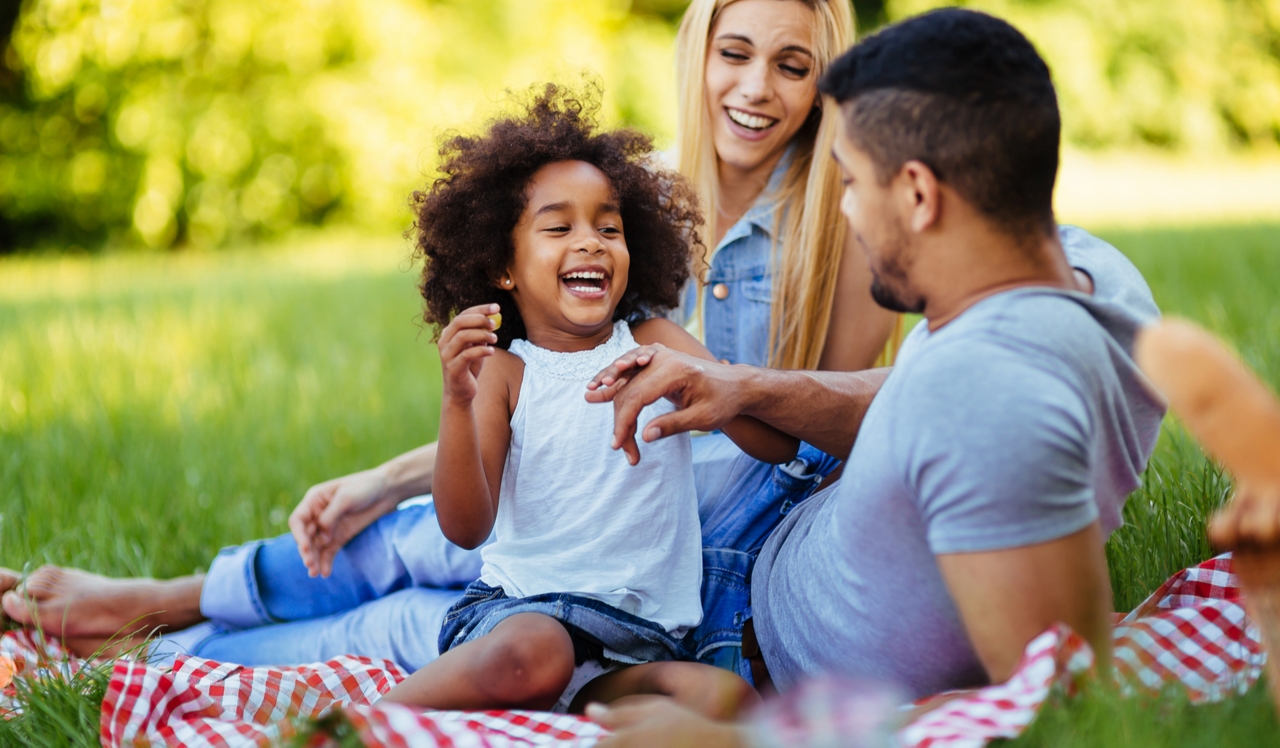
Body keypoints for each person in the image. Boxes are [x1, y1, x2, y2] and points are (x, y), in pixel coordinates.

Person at [0, 0, 897, 666]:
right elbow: (527, 389)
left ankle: (173, 643)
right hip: (556, 478)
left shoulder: (845, 229)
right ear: (696, 54)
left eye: (793, 64)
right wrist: (387, 479)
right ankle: (169, 605)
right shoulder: (623, 195)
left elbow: (814, 435)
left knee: (417, 601)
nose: (756, 88)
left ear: (827, 80)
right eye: (734, 53)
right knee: (420, 534)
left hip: (689, 529)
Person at [581, 8, 1165, 743]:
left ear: (918, 194)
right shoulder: (1095, 278)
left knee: (449, 621)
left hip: (735, 638)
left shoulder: (993, 406)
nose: (845, 211)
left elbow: (1055, 701)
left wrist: (749, 737)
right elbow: (906, 398)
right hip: (770, 527)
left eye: (851, 182)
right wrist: (746, 386)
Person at [373, 87, 791, 715]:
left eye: (609, 227)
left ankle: (569, 715)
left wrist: (718, 392)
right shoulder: (506, 374)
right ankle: (360, 722)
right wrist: (457, 403)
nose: (592, 241)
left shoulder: (658, 344)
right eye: (559, 226)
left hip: (641, 646)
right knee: (540, 654)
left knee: (724, 696)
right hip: (519, 619)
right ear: (502, 266)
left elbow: (777, 444)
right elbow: (465, 528)